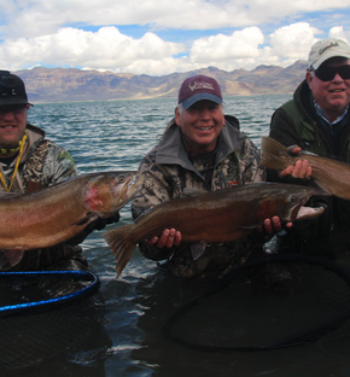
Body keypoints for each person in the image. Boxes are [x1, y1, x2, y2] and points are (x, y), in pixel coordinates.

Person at [131, 74, 286, 279]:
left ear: (222, 114)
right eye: (195, 109)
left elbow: (257, 226)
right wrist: (159, 246)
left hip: (246, 265)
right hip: (185, 274)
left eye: (212, 108)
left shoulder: (246, 151)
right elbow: (149, 250)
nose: (205, 117)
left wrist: (268, 229)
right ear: (178, 115)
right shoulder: (154, 165)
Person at [0, 70, 119, 271]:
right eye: (1, 108)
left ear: (27, 109)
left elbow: (70, 236)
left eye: (18, 108)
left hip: (54, 263)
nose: (10, 117)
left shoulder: (54, 158)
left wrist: (88, 223)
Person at [266, 38, 350, 259]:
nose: (338, 79)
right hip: (304, 242)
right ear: (310, 78)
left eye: (345, 71)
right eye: (326, 73)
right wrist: (284, 174)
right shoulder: (286, 117)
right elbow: (270, 175)